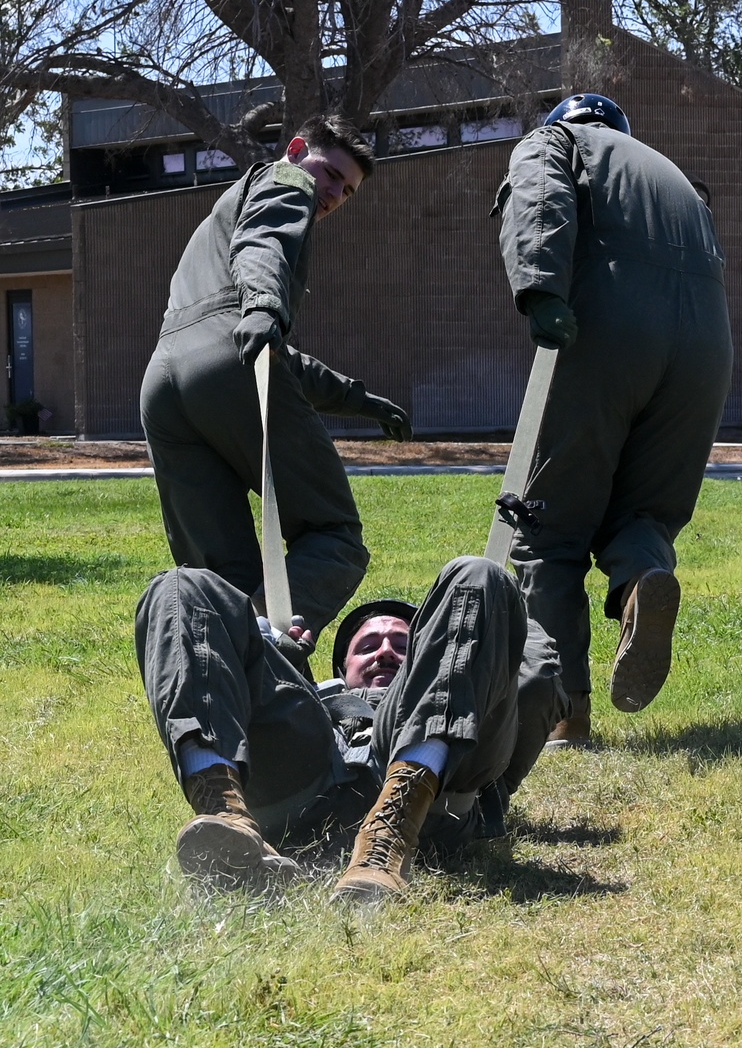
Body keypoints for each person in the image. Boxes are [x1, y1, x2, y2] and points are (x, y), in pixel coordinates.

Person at [494, 93, 733, 745]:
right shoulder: (672, 174)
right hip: (706, 346)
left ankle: (563, 715)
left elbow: (539, 199)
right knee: (646, 511)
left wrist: (541, 289)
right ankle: (638, 587)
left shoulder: (560, 143)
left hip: (610, 327)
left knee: (548, 527)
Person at [134, 556, 567, 902]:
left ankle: (393, 827)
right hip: (307, 779)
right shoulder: (315, 697)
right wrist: (270, 650)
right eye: (368, 646)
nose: (385, 652)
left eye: (404, 646)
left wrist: (466, 641)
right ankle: (225, 811)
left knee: (479, 574)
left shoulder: (465, 693)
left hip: (441, 796)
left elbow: (537, 672)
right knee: (180, 586)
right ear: (342, 666)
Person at [140, 113, 412, 640]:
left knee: (223, 574)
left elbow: (264, 352)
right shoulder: (285, 179)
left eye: (347, 190)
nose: (333, 193)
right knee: (335, 538)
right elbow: (263, 244)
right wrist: (266, 304)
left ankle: (217, 683)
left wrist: (362, 400)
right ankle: (265, 653)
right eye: (330, 173)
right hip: (226, 367)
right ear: (295, 148)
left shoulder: (219, 220)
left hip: (163, 383)